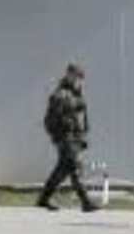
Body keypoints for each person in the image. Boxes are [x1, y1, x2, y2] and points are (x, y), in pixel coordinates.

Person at [37, 63, 97, 212]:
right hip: (66, 138)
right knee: (76, 167)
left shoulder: (77, 94)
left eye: (81, 78)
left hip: (75, 138)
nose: (79, 81)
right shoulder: (61, 95)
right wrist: (58, 137)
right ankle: (86, 201)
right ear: (69, 76)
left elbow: (81, 118)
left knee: (62, 170)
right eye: (77, 77)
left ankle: (43, 199)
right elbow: (49, 120)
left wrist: (83, 137)